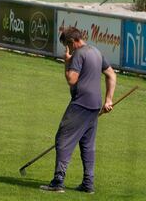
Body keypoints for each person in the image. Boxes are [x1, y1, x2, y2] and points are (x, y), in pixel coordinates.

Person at [40, 27, 116, 193]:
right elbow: (111, 75)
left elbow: (72, 79)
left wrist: (67, 61)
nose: (67, 49)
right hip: (94, 105)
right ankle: (88, 184)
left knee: (62, 139)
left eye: (66, 46)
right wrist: (108, 99)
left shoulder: (79, 54)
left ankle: (58, 182)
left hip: (81, 104)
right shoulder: (96, 51)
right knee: (87, 145)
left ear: (71, 42)